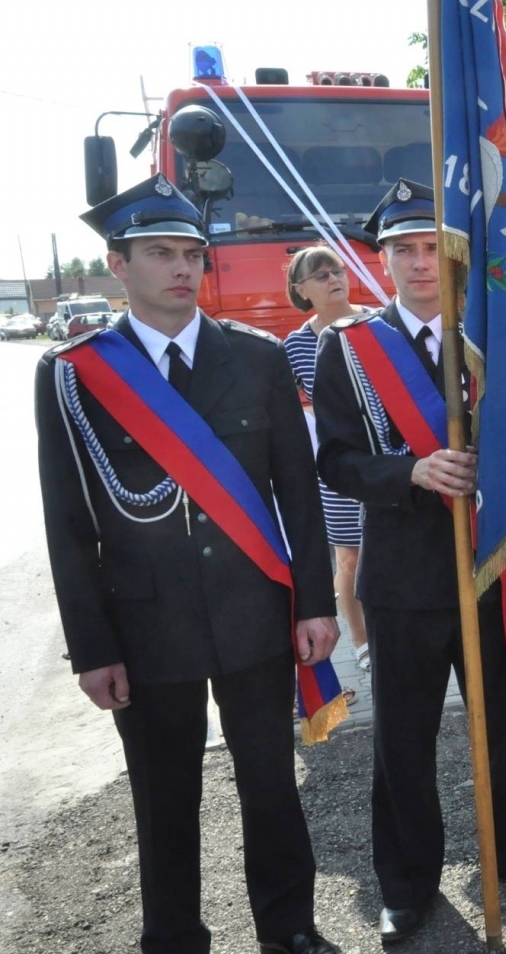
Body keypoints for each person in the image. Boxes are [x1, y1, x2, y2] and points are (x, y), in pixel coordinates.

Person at [38, 175, 341, 954]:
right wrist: (94, 647)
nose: (180, 267)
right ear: (118, 264)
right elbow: (67, 524)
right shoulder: (74, 375)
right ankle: (172, 936)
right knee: (163, 796)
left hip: (254, 613)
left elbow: (297, 496)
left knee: (270, 784)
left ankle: (289, 925)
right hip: (145, 623)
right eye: (158, 253)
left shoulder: (258, 357)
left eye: (190, 253)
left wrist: (316, 602)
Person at [314, 179, 506, 946]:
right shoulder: (348, 349)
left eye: (432, 247)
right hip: (402, 577)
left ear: (454, 255)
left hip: (490, 568)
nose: (420, 263)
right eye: (403, 251)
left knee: (505, 725)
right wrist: (411, 472)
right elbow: (336, 461)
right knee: (405, 739)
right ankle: (408, 883)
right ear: (380, 260)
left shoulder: (494, 340)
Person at [283, 245, 369, 680]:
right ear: (301, 291)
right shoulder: (294, 346)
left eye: (337, 270)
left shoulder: (379, 324)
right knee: (349, 559)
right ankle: (363, 643)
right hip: (336, 469)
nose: (334, 278)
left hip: (388, 463)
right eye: (320, 275)